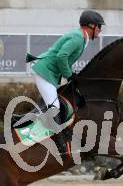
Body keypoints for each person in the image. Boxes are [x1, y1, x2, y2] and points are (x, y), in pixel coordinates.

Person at [26, 10, 104, 155]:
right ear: (91, 25)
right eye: (99, 26)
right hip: (44, 71)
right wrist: (69, 75)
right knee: (54, 105)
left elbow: (63, 58)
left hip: (48, 72)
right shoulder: (77, 38)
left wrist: (70, 74)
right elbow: (62, 56)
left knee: (56, 102)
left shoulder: (81, 37)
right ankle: (59, 143)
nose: (101, 30)